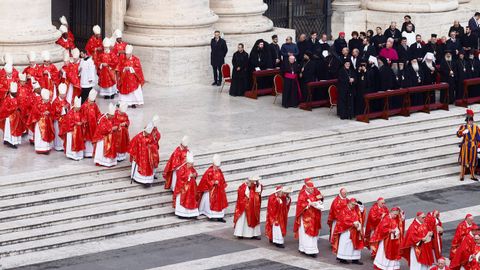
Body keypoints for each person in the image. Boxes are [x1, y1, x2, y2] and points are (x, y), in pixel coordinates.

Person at [294, 180, 323, 257]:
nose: (312, 190)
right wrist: (309, 204)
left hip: (313, 216)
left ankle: (312, 249)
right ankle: (306, 249)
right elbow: (300, 205)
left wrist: (319, 201)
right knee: (306, 235)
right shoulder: (302, 194)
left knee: (313, 234)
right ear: (306, 188)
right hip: (305, 218)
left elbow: (317, 198)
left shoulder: (313, 193)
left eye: (312, 189)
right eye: (310, 189)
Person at [331, 198, 364, 265]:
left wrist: (358, 224)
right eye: (352, 204)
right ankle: (342, 258)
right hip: (346, 231)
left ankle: (355, 259)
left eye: (354, 205)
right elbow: (343, 221)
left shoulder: (354, 210)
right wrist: (352, 224)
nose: (354, 206)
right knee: (346, 245)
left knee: (355, 245)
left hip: (355, 231)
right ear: (348, 203)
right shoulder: (344, 211)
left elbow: (361, 214)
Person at [197, 154, 228, 222]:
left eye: (218, 166)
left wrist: (221, 183)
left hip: (219, 191)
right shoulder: (209, 171)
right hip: (211, 191)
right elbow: (205, 181)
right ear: (213, 164)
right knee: (210, 203)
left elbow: (222, 179)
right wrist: (213, 182)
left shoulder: (219, 171)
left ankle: (220, 216)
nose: (217, 168)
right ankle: (212, 215)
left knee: (220, 203)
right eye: (216, 166)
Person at [128, 121, 159, 185]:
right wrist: (134, 153)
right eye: (147, 134)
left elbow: (154, 144)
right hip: (139, 156)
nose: (148, 135)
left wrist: (151, 147)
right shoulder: (138, 137)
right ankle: (137, 178)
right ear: (144, 131)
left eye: (149, 134)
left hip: (148, 156)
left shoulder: (150, 136)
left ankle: (147, 181)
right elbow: (132, 144)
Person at [173, 152, 199, 219]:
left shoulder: (191, 168)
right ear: (187, 163)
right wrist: (188, 176)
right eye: (191, 164)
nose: (192, 165)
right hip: (183, 189)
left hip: (191, 189)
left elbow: (195, 172)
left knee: (191, 200)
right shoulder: (182, 169)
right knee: (183, 201)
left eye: (192, 164)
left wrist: (195, 174)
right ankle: (182, 214)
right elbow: (180, 177)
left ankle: (192, 214)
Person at [28, 89, 54, 154]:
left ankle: (46, 148)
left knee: (47, 134)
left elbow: (52, 110)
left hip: (47, 122)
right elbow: (34, 112)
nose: (47, 101)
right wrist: (42, 113)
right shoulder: (38, 104)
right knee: (40, 135)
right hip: (40, 122)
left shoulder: (48, 103)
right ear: (42, 98)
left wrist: (49, 112)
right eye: (46, 100)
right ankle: (40, 148)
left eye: (48, 100)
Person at [457, 109, 480, 181]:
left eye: (471, 120)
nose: (470, 121)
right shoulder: (463, 127)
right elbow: (458, 134)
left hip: (473, 145)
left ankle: (472, 175)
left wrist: (479, 145)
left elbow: (478, 137)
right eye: (469, 120)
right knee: (464, 161)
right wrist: (462, 132)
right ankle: (462, 176)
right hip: (466, 145)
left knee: (473, 161)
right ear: (467, 121)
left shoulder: (476, 127)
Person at [60, 96, 85, 161]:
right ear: (75, 106)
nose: (79, 109)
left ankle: (79, 155)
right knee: (72, 142)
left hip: (79, 131)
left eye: (79, 108)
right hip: (71, 131)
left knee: (79, 142)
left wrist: (82, 121)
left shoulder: (79, 112)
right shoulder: (70, 113)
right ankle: (72, 155)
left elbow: (82, 117)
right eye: (78, 108)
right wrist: (76, 123)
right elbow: (68, 122)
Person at [93, 103, 117, 167]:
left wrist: (117, 127)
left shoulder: (112, 118)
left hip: (111, 137)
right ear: (108, 114)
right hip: (103, 138)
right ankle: (101, 161)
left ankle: (109, 162)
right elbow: (102, 129)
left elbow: (116, 123)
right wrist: (111, 128)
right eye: (111, 116)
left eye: (113, 116)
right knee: (101, 150)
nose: (112, 117)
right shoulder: (102, 119)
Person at [0, 82, 23, 148]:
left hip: (17, 117)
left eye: (16, 93)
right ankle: (11, 142)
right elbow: (4, 109)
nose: (15, 94)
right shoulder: (7, 99)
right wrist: (14, 108)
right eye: (14, 93)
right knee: (9, 130)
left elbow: (20, 105)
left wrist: (19, 108)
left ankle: (14, 141)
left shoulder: (17, 97)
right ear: (10, 92)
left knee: (16, 129)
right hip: (10, 118)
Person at [80, 89, 101, 158]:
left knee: (92, 138)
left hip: (94, 125)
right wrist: (83, 121)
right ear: (88, 99)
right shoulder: (84, 106)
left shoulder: (95, 105)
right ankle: (86, 153)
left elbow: (98, 113)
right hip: (86, 126)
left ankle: (92, 152)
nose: (92, 102)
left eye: (93, 101)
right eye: (91, 101)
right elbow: (80, 114)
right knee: (87, 138)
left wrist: (99, 119)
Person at [51, 83, 69, 151]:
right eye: (63, 95)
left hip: (64, 121)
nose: (64, 96)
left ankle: (63, 145)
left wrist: (67, 107)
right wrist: (62, 109)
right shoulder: (55, 101)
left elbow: (68, 105)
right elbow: (54, 111)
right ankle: (58, 146)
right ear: (59, 93)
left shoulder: (64, 100)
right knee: (58, 132)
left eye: (64, 94)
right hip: (57, 121)